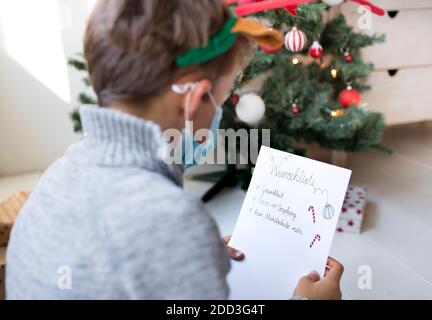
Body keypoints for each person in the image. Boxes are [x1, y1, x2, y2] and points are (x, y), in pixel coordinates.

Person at [6, 0, 343, 300]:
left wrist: (188, 260)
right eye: (221, 100)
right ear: (194, 99)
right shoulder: (167, 219)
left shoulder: (58, 175)